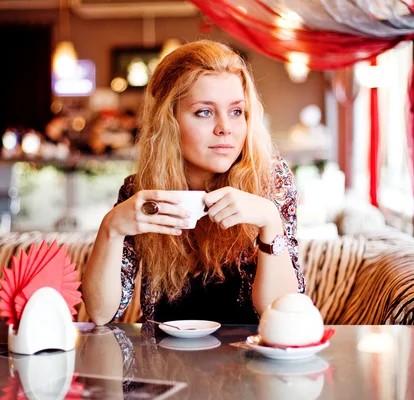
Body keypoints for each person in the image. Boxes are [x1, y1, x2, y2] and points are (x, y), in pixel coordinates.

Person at [83, 40, 304, 325]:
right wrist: (111, 228)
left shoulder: (270, 181)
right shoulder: (141, 192)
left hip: (250, 363)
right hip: (161, 364)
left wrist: (270, 222)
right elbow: (101, 314)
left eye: (237, 111)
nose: (225, 127)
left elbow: (283, 313)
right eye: (205, 112)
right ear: (169, 121)